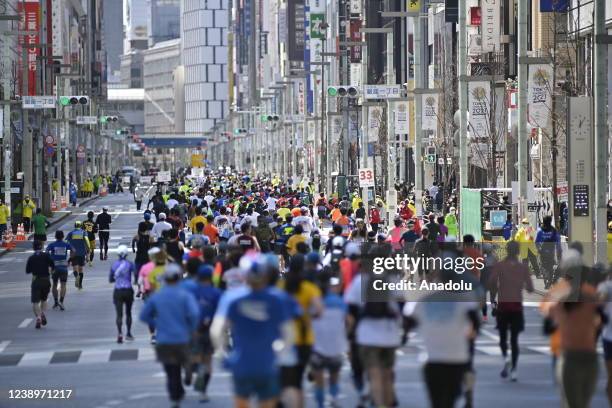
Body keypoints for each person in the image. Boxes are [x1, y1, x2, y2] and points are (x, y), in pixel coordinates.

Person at [210, 256, 294, 408]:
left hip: (241, 364)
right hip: (267, 364)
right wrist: (279, 351)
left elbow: (216, 331)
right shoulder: (277, 298)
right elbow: (289, 333)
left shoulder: (232, 298)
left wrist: (223, 354)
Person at [403, 271, 481, 408]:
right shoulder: (463, 301)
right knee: (450, 400)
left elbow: (408, 320)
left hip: (432, 359)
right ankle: (467, 395)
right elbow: (475, 320)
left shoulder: (425, 301)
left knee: (436, 402)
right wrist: (471, 336)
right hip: (457, 359)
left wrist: (404, 336)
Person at [139, 263, 200, 408]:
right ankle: (187, 372)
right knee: (181, 362)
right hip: (182, 337)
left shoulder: (158, 296)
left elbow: (144, 316)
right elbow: (194, 314)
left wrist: (157, 323)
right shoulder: (185, 295)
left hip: (164, 339)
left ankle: (175, 395)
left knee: (170, 369)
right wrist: (191, 328)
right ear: (179, 277)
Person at [488, 241, 534, 381]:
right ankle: (514, 369)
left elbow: (491, 282)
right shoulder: (523, 268)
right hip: (517, 307)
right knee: (514, 339)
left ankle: (505, 357)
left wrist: (494, 298)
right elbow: (531, 288)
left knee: (503, 338)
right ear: (518, 251)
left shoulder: (500, 265)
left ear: (507, 250)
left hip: (503, 306)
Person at [311, 274, 347, 408]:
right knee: (334, 375)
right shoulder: (339, 301)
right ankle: (334, 397)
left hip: (317, 346)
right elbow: (348, 320)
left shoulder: (314, 300)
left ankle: (320, 404)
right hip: (335, 345)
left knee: (318, 379)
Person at [190, 264, 222, 402]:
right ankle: (203, 391)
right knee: (208, 360)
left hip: (194, 330)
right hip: (210, 330)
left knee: (195, 356)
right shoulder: (216, 293)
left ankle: (197, 369)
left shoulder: (192, 292)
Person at [109, 245, 136, 344]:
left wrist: (117, 277)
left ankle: (120, 333)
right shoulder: (130, 264)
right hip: (128, 290)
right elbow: (136, 275)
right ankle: (128, 333)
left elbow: (111, 279)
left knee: (119, 314)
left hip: (118, 291)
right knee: (128, 313)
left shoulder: (114, 265)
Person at [26, 240, 55, 329]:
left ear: (33, 248)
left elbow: (27, 271)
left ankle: (38, 317)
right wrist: (50, 271)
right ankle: (42, 313)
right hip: (46, 280)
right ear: (41, 247)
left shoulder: (31, 258)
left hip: (36, 280)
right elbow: (52, 265)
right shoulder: (46, 255)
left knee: (35, 302)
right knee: (44, 299)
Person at [46, 230, 73, 311]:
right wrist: (69, 260)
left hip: (55, 268)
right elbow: (74, 251)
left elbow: (46, 252)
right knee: (63, 285)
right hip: (64, 267)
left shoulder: (52, 245)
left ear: (55, 237)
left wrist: (50, 261)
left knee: (54, 284)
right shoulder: (66, 244)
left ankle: (56, 302)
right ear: (62, 236)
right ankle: (61, 301)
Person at [535, 215, 562, 289]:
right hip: (551, 251)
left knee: (543, 266)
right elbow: (558, 243)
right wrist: (559, 253)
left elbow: (536, 242)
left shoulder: (540, 230)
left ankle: (546, 281)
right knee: (550, 267)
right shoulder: (554, 230)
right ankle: (549, 281)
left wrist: (539, 249)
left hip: (543, 251)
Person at [66, 221, 90, 290]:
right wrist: (88, 252)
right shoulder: (84, 233)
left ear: (75, 226)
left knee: (75, 268)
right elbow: (87, 242)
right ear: (81, 226)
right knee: (81, 269)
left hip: (73, 253)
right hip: (82, 253)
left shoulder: (71, 233)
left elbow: (67, 243)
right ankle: (80, 285)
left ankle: (76, 276)